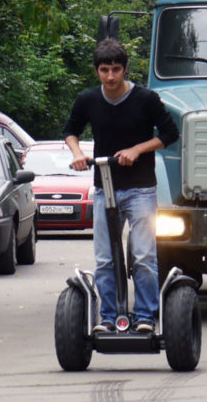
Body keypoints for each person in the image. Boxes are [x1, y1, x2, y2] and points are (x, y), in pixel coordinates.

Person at [63, 39, 179, 332]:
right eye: (105, 70)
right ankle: (109, 317)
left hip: (140, 188)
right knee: (105, 258)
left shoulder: (146, 99)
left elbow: (169, 133)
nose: (111, 76)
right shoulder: (87, 100)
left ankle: (143, 317)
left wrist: (138, 149)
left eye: (116, 69)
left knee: (143, 257)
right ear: (97, 71)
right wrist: (77, 154)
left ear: (125, 69)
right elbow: (71, 131)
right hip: (105, 187)